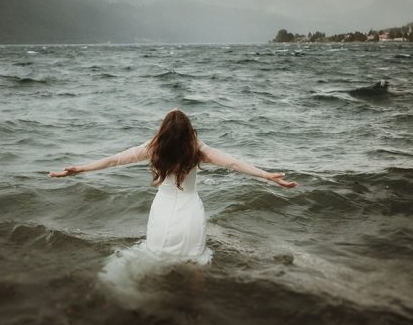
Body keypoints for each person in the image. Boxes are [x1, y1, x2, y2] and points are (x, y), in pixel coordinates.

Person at [49, 109, 296, 261]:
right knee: (194, 261)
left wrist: (81, 169)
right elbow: (233, 163)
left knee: (156, 254)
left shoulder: (152, 149)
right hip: (190, 212)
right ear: (189, 132)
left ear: (163, 132)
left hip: (162, 210)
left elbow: (114, 160)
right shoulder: (198, 150)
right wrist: (265, 175)